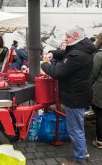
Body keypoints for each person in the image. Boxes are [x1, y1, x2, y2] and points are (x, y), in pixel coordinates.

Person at [41, 27, 96, 165]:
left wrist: (45, 65)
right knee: (78, 127)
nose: (65, 38)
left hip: (75, 97)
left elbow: (59, 73)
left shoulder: (78, 55)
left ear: (76, 38)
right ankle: (82, 153)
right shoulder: (79, 49)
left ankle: (79, 160)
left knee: (75, 129)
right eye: (65, 35)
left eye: (69, 37)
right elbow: (64, 53)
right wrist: (52, 54)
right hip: (78, 94)